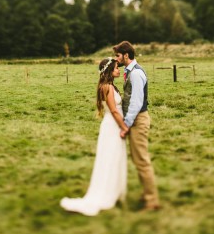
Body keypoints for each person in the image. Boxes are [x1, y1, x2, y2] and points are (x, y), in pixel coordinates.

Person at [60, 57, 129, 216]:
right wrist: (124, 127)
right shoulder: (107, 88)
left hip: (112, 125)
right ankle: (106, 191)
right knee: (110, 158)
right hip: (113, 126)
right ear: (110, 71)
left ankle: (113, 189)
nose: (119, 70)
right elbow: (113, 111)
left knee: (115, 157)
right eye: (117, 68)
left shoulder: (110, 86)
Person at [113, 41, 161, 211]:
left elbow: (136, 101)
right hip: (135, 120)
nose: (116, 59)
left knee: (141, 159)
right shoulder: (130, 71)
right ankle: (147, 194)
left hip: (138, 120)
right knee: (137, 158)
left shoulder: (136, 74)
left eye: (118, 55)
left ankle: (152, 200)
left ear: (126, 55)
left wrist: (125, 124)